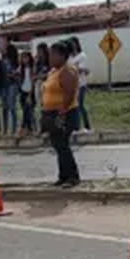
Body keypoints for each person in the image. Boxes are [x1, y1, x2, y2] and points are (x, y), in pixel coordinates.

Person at [41, 43, 81, 187]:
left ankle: (72, 177)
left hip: (64, 113)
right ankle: (63, 176)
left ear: (61, 56)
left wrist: (62, 113)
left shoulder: (67, 71)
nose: (50, 58)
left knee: (62, 144)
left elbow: (69, 93)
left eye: (52, 54)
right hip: (51, 113)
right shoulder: (53, 71)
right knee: (58, 145)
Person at [70, 37, 93, 132]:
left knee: (80, 105)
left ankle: (87, 126)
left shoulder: (82, 56)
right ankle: (76, 127)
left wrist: (76, 69)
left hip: (81, 84)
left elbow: (84, 70)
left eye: (73, 44)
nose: (72, 46)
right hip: (72, 85)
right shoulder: (70, 58)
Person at [1, 45, 20, 137]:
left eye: (5, 49)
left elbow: (18, 75)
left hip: (12, 84)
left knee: (12, 106)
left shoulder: (15, 62)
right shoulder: (3, 61)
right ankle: (5, 129)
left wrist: (13, 75)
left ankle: (14, 128)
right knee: (5, 108)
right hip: (4, 85)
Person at [19, 49, 37, 136]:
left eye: (26, 58)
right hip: (23, 91)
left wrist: (30, 95)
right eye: (23, 58)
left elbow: (32, 82)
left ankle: (24, 128)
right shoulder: (21, 68)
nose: (24, 60)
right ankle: (29, 129)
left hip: (30, 91)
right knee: (25, 111)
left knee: (28, 110)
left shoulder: (32, 68)